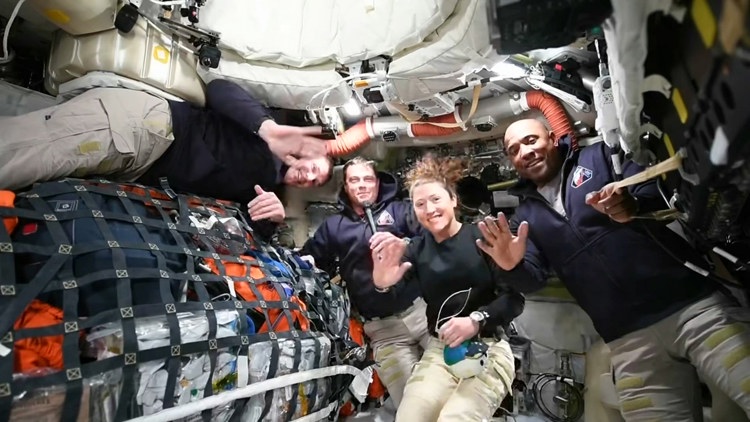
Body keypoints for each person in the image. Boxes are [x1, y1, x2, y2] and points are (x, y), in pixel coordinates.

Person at [482, 118, 750, 421]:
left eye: (531, 140)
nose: (525, 152)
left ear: (554, 138)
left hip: (695, 309)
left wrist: (633, 204)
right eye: (514, 150)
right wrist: (511, 265)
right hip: (628, 340)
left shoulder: (601, 156)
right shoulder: (525, 216)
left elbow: (658, 190)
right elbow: (532, 281)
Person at [0, 79, 333, 229]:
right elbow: (220, 89)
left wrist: (273, 220)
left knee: (27, 167)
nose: (309, 176)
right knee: (18, 156)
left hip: (138, 171)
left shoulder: (266, 189)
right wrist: (267, 128)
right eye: (313, 166)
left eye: (315, 181)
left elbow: (241, 226)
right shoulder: (265, 131)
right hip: (149, 132)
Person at [370, 155, 543, 422]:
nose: (429, 209)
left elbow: (513, 299)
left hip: (489, 346)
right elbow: (392, 298)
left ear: (453, 199)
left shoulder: (483, 239)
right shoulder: (416, 249)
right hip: (440, 350)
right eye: (420, 204)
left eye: (436, 199)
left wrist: (476, 320)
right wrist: (382, 284)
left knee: (456, 417)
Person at [299, 157, 429, 407]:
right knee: (411, 407)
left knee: (457, 381)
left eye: (368, 179)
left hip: (423, 314)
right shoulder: (334, 227)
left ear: (377, 183)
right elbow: (309, 262)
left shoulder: (401, 211)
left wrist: (405, 245)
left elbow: (433, 240)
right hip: (383, 330)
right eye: (354, 180)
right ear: (346, 186)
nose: (361, 185)